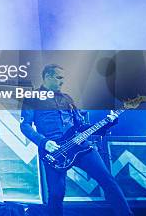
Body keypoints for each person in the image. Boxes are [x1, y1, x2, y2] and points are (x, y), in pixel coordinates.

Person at [20, 64, 132, 216]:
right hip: (55, 151)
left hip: (81, 147)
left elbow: (81, 126)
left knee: (108, 181)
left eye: (63, 78)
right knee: (56, 194)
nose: (62, 81)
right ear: (47, 77)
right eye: (59, 77)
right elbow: (25, 126)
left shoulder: (68, 99)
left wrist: (108, 122)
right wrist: (43, 142)